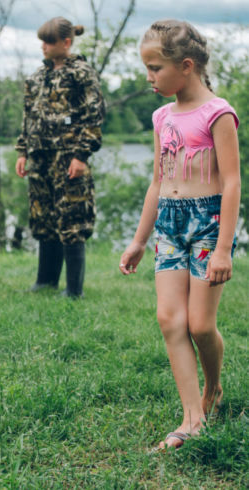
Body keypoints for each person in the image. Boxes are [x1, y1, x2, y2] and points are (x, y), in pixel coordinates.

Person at [119, 20, 240, 450]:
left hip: (207, 224)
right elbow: (157, 180)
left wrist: (224, 248)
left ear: (185, 66)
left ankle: (213, 390)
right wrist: (138, 239)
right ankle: (192, 420)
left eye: (155, 68)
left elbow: (231, 184)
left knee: (200, 324)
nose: (148, 76)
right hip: (169, 224)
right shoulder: (161, 116)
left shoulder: (218, 113)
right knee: (170, 320)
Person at [15, 16, 105, 298]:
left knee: (72, 219)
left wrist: (81, 156)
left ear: (66, 43)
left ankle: (74, 289)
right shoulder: (37, 77)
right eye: (41, 41)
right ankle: (46, 281)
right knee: (43, 218)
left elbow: (94, 115)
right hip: (40, 157)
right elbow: (28, 116)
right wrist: (22, 151)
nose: (43, 46)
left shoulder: (81, 73)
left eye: (49, 41)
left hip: (69, 158)